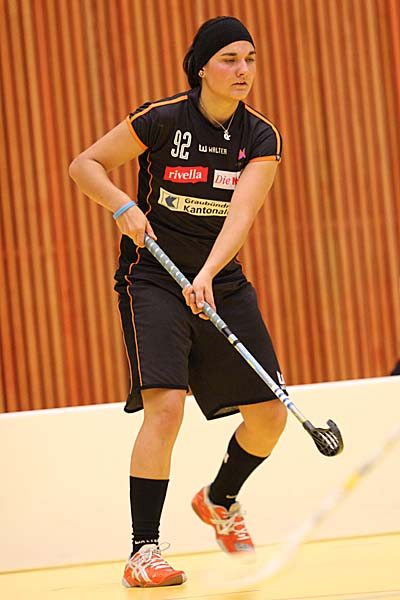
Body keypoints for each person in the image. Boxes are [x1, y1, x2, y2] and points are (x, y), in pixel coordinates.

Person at [69, 15, 288, 589]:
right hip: (154, 278)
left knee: (270, 416)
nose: (243, 70)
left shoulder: (261, 137)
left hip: (221, 280)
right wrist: (121, 205)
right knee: (166, 407)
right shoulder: (163, 118)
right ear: (201, 68)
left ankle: (220, 498)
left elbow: (241, 213)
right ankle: (144, 551)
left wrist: (209, 274)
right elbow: (84, 165)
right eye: (229, 60)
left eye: (250, 59)